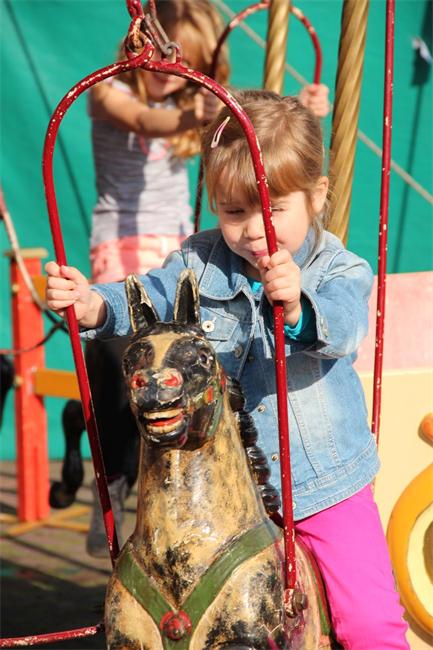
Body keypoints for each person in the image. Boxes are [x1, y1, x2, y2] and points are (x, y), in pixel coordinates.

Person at [46, 88, 408, 648]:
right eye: (234, 212)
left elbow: (343, 326)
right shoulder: (200, 260)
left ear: (317, 196)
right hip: (222, 500)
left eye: (273, 209)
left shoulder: (338, 268)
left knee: (369, 622)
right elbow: (150, 296)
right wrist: (93, 304)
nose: (254, 230)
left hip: (322, 487)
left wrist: (298, 309)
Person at [79, 0, 330, 558]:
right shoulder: (111, 92)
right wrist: (205, 112)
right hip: (123, 245)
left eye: (186, 67)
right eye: (166, 64)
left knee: (188, 361)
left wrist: (303, 108)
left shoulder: (197, 107)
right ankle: (114, 477)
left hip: (177, 245)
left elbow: (260, 128)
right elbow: (149, 121)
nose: (170, 77)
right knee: (125, 358)